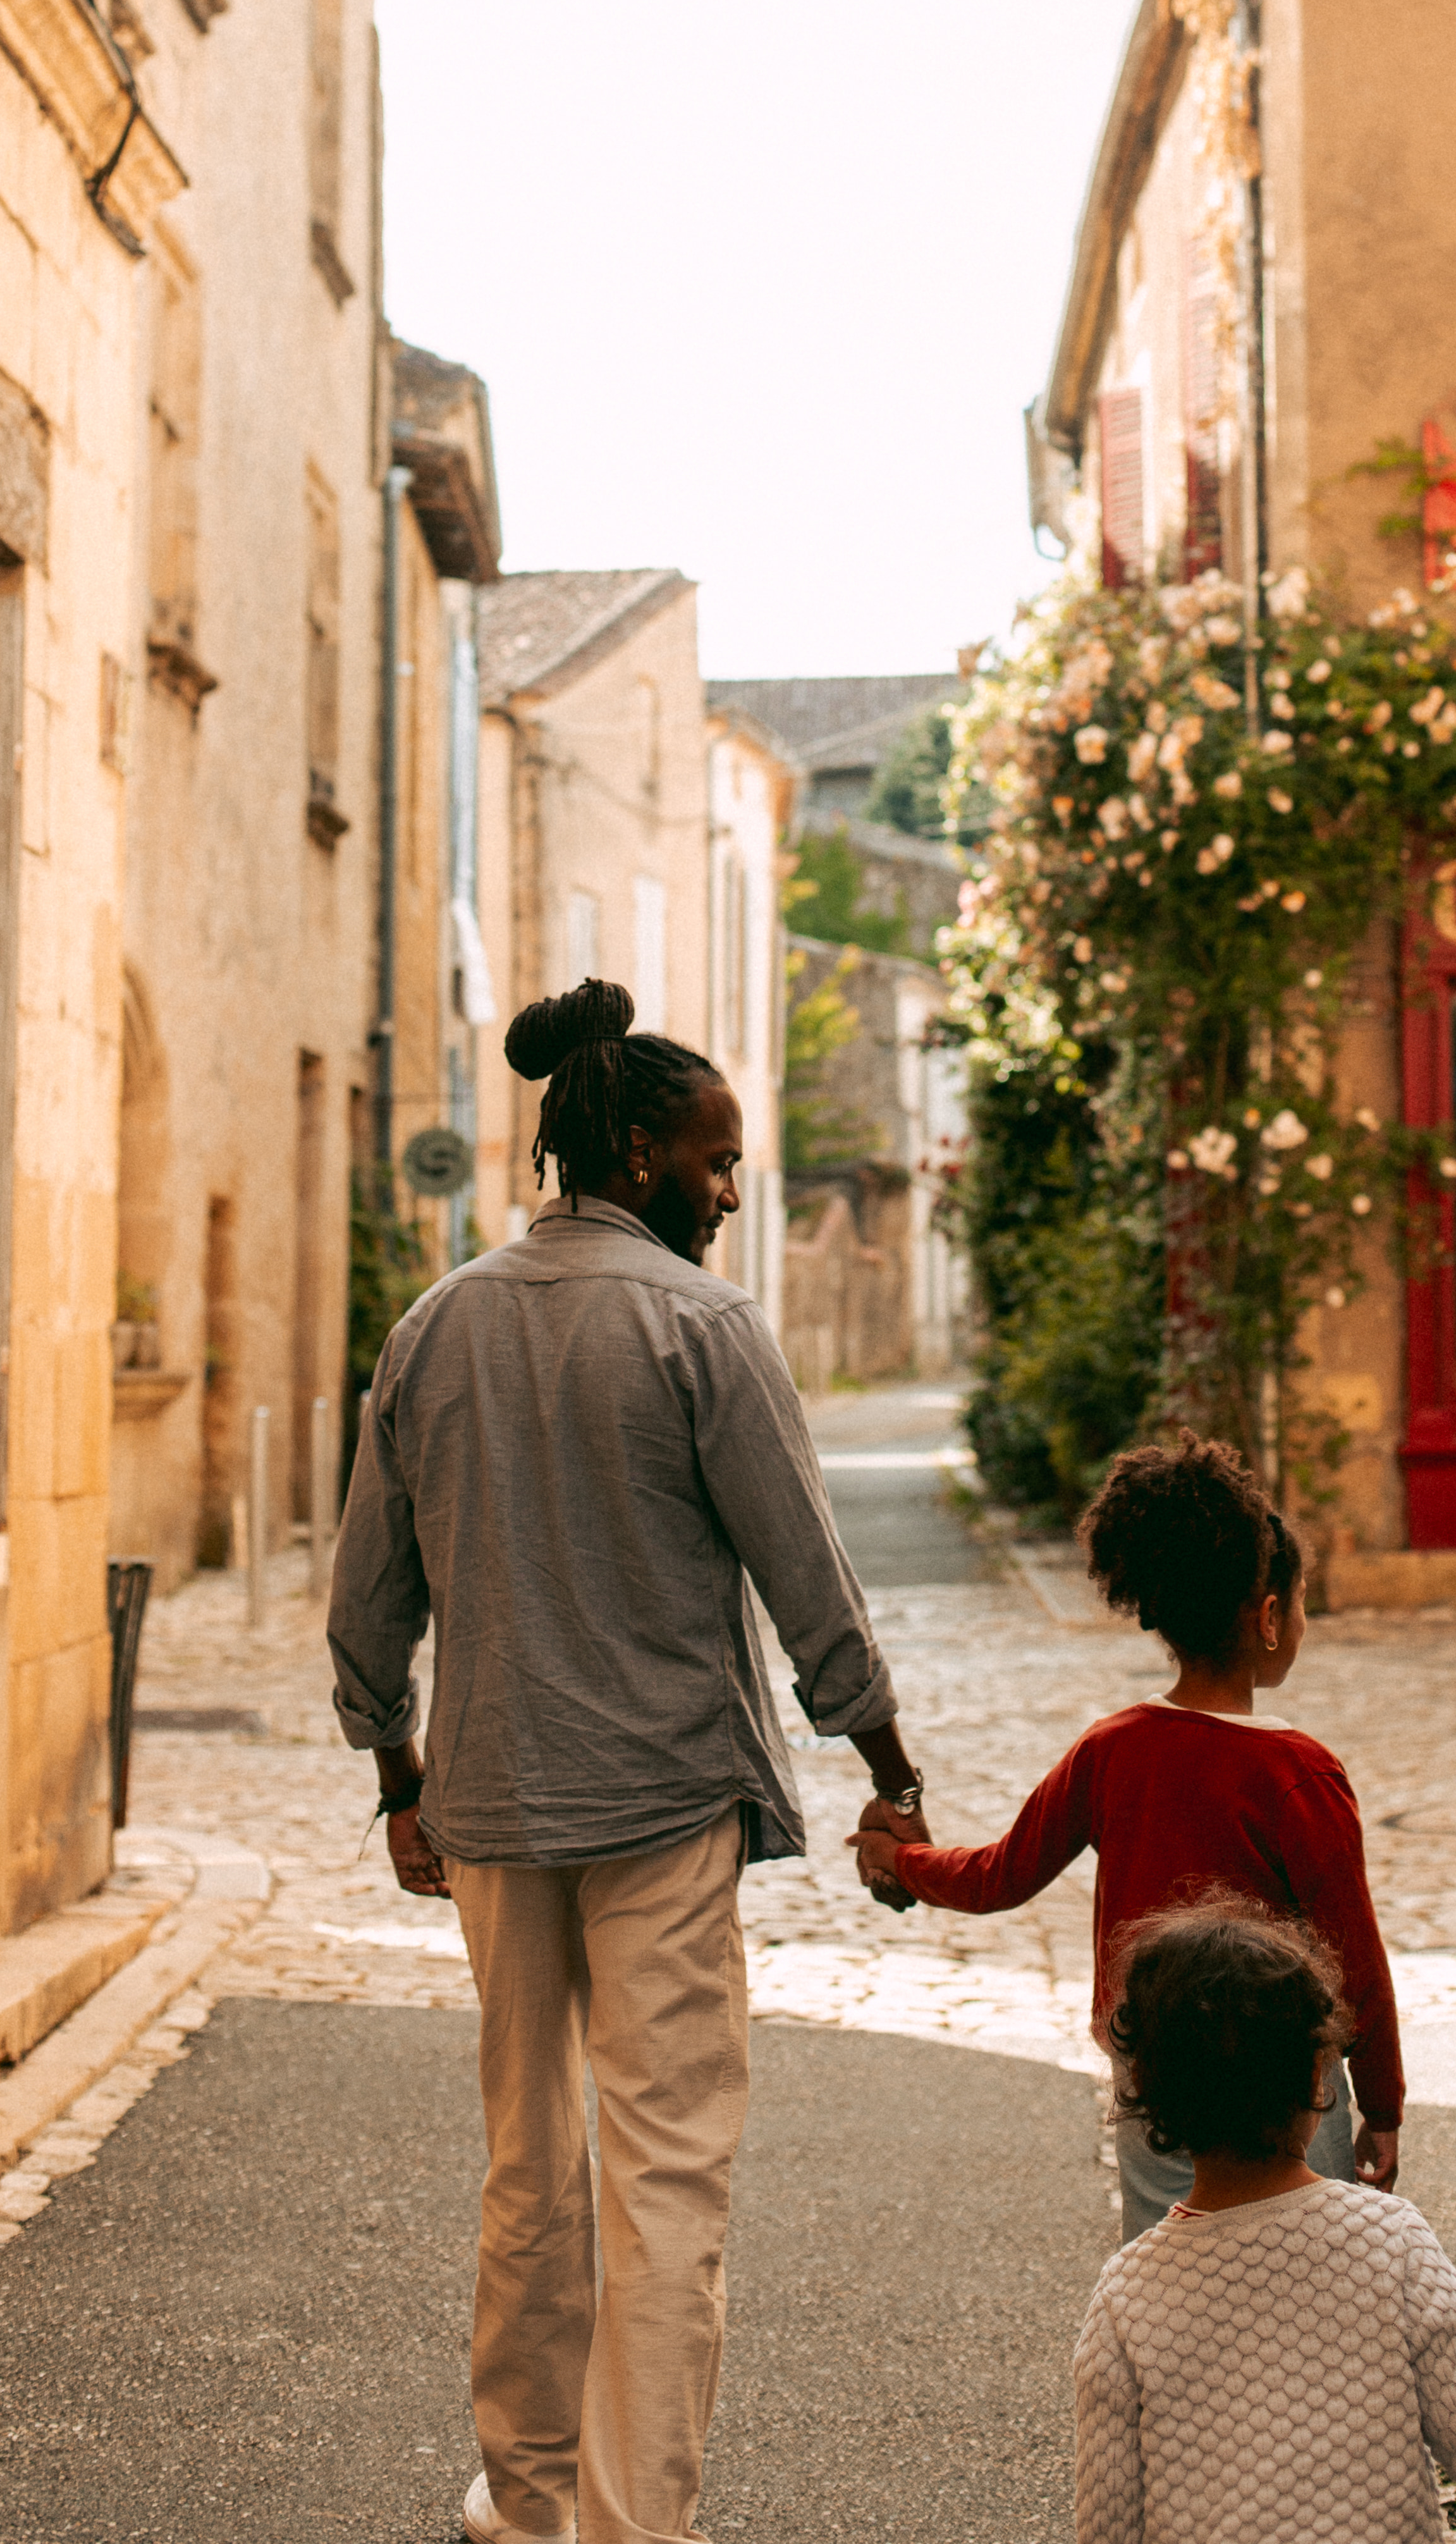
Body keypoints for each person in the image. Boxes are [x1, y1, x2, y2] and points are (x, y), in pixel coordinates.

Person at [327, 977, 929, 2544]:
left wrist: (396, 1780)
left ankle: (525, 2503)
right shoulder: (703, 1326)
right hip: (662, 1804)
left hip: (491, 1809)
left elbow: (366, 1600)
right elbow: (809, 1580)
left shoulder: (435, 1323)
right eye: (716, 1159)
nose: (731, 1189)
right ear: (644, 1150)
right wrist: (888, 1765)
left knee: (527, 2162)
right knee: (664, 2180)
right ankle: (628, 2523)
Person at [858, 1430, 1403, 2238]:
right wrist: (1383, 2102)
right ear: (1266, 1617)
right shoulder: (1299, 1773)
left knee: (1164, 2260)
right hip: (1288, 2074)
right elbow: (1354, 1956)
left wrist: (899, 1859)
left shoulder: (1111, 1751)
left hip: (1157, 2063)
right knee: (1306, 2260)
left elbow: (999, 1875)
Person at [1073, 1900, 1456, 2544]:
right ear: (1317, 2076)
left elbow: (1108, 2521)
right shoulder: (1390, 2241)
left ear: (1143, 2093)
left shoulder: (1126, 2295)